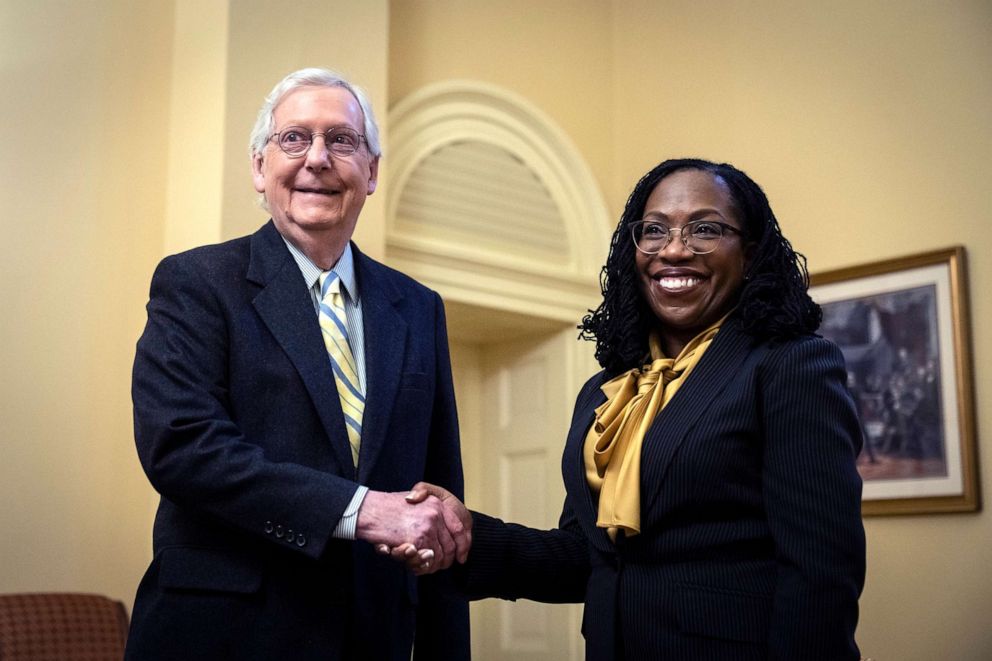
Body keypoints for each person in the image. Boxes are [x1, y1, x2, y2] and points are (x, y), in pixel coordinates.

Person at [392, 158, 867, 660]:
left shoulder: (789, 367)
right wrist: (470, 537)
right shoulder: (610, 392)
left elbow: (820, 574)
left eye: (705, 229)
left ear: (749, 253)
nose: (676, 250)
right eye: (655, 231)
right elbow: (586, 558)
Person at [126, 68, 470, 661]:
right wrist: (361, 511)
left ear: (371, 173)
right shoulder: (196, 282)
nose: (318, 158)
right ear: (260, 169)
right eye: (294, 139)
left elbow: (438, 501)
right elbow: (182, 447)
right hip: (225, 635)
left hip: (375, 636)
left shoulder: (418, 308)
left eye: (342, 140)